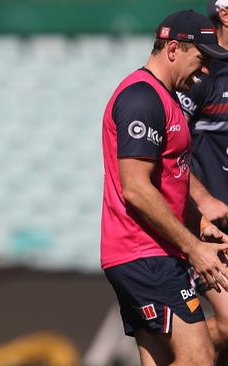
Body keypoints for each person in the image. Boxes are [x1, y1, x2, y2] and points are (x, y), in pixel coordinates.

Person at [100, 9, 228, 365]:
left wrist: (200, 226)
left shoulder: (165, 98)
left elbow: (168, 182)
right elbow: (137, 190)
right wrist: (193, 248)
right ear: (173, 49)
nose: (205, 72)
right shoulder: (142, 99)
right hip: (144, 254)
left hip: (153, 253)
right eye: (201, 60)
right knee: (200, 357)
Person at [177, 0, 228, 352]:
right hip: (212, 227)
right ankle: (168, 354)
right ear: (224, 14)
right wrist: (203, 199)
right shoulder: (203, 73)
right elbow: (169, 148)